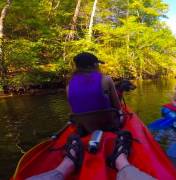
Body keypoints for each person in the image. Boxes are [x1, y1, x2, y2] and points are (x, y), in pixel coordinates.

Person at [27, 52, 155, 180]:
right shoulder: (106, 79)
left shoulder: (69, 86)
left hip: (85, 128)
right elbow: (117, 107)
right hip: (109, 125)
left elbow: (75, 111)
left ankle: (65, 165)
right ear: (95, 65)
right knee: (122, 114)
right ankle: (121, 160)